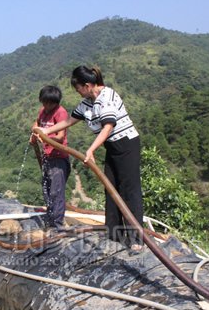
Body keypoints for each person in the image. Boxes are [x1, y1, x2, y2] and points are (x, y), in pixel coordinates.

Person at [34, 66, 143, 251]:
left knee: (128, 190)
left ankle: (136, 239)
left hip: (127, 145)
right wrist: (45, 131)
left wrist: (91, 150)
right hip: (112, 147)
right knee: (111, 188)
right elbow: (69, 121)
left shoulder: (107, 96)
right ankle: (114, 234)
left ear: (87, 85)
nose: (78, 93)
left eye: (78, 89)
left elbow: (108, 126)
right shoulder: (87, 102)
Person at [30, 85, 71, 229]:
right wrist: (34, 132)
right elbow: (36, 123)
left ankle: (57, 225)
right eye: (44, 102)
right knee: (46, 190)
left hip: (59, 158)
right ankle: (50, 220)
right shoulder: (43, 111)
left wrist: (45, 136)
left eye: (50, 103)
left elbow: (60, 137)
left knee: (56, 192)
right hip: (47, 157)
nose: (46, 106)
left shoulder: (61, 113)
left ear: (56, 102)